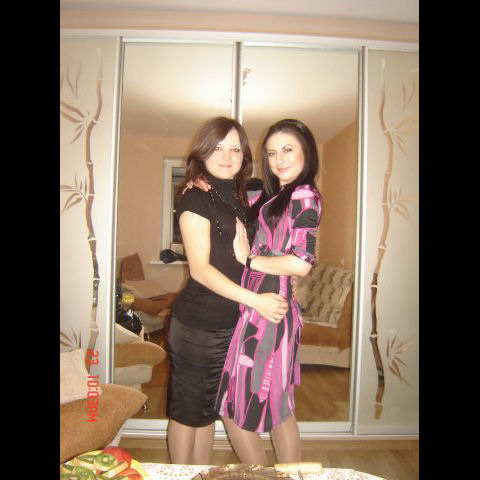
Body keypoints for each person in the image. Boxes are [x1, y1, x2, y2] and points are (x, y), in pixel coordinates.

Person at [166, 117, 289, 465]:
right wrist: (256, 301)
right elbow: (201, 270)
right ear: (203, 151)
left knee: (208, 410)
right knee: (187, 412)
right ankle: (179, 475)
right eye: (218, 148)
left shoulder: (239, 197)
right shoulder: (194, 198)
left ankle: (200, 473)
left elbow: (275, 196)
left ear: (244, 157)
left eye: (235, 149)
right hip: (197, 326)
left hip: (231, 325)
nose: (227, 156)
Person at [214, 119, 323, 465]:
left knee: (233, 408)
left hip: (268, 313)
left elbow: (302, 263)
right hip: (269, 307)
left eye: (288, 150)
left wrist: (249, 259)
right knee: (279, 407)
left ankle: (261, 475)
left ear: (307, 152)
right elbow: (236, 191)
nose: (279, 160)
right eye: (272, 153)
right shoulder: (277, 196)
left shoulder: (303, 195)